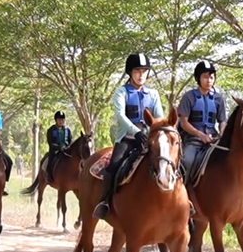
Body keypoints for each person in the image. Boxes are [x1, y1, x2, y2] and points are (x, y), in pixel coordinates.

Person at [92, 53, 164, 219]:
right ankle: (105, 203)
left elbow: (159, 117)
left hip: (149, 139)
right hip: (127, 139)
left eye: (144, 71)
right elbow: (120, 116)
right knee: (114, 167)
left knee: (169, 163)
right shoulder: (121, 92)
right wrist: (136, 132)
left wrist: (155, 131)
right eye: (137, 71)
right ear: (130, 72)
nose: (141, 75)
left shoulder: (153, 94)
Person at [176, 60, 228, 179]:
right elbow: (184, 122)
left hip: (213, 139)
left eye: (211, 77)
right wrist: (200, 135)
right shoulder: (189, 97)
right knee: (187, 161)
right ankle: (182, 188)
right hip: (193, 139)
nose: (209, 80)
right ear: (198, 78)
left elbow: (222, 122)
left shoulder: (218, 99)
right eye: (205, 77)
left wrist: (222, 135)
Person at [45, 110, 74, 182]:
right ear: (56, 120)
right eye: (59, 119)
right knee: (50, 160)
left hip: (66, 150)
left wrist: (68, 147)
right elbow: (50, 143)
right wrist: (59, 147)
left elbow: (70, 140)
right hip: (55, 150)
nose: (61, 121)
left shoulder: (67, 130)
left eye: (62, 119)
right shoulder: (51, 130)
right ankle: (49, 176)